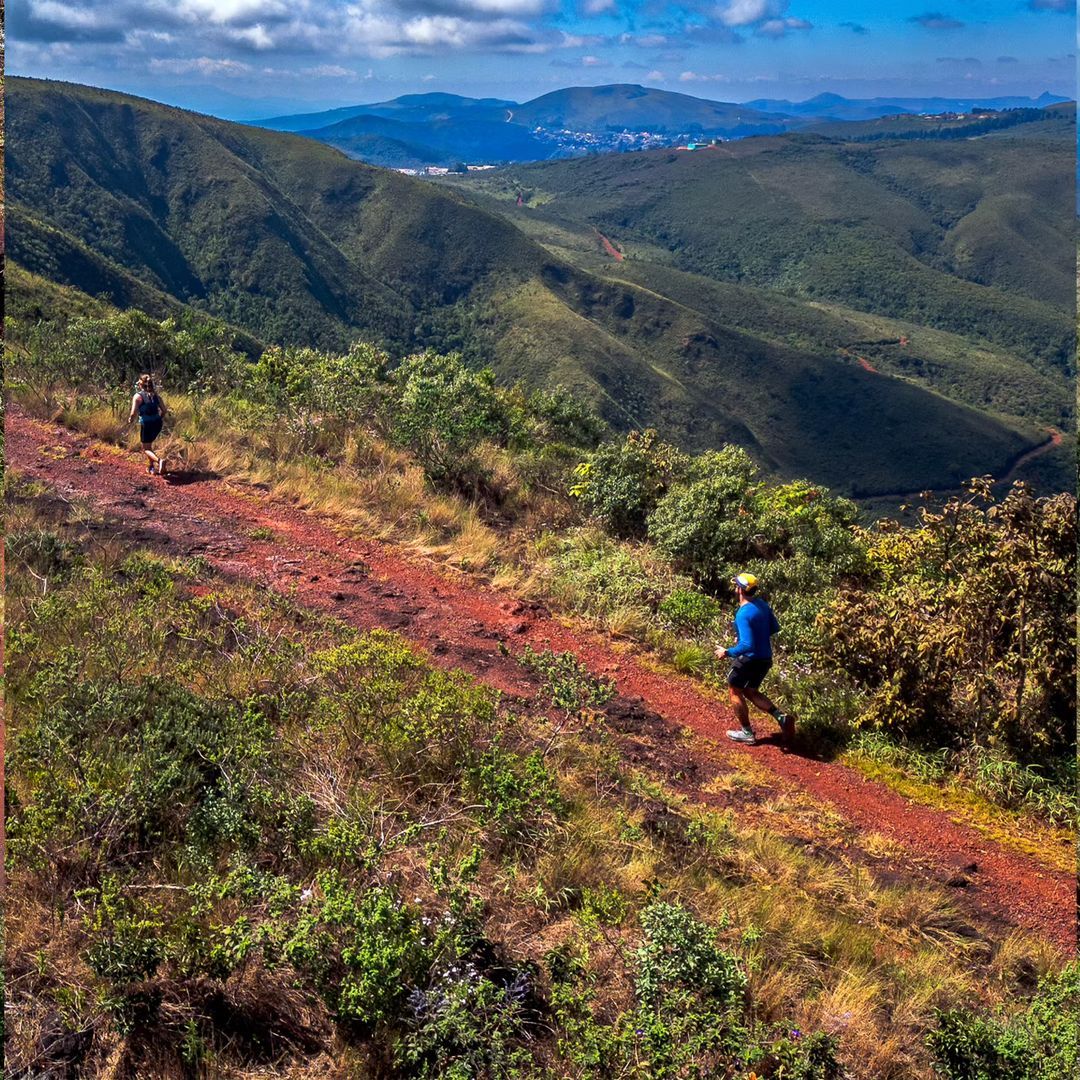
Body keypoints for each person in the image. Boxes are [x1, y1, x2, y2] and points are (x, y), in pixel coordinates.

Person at [715, 572, 793, 746]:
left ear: (740, 590)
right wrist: (749, 636)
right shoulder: (762, 605)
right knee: (751, 691)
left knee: (734, 690)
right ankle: (781, 717)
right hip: (765, 658)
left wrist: (727, 652)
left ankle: (747, 733)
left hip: (749, 659)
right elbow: (773, 628)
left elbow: (747, 646)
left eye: (736, 585)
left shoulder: (743, 614)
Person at [129, 374, 167, 476]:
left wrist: (130, 419)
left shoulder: (138, 396)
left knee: (146, 448)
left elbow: (133, 413)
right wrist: (159, 418)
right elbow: (164, 410)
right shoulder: (156, 396)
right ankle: (151, 467)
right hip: (157, 423)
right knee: (149, 445)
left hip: (146, 423)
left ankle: (159, 461)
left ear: (141, 385)